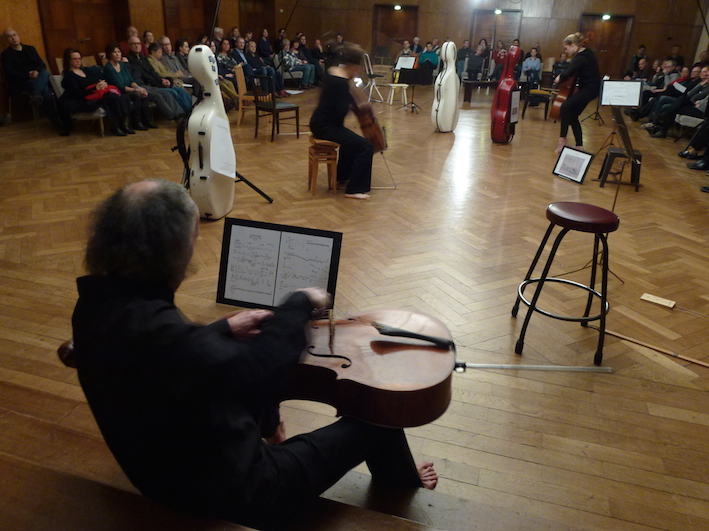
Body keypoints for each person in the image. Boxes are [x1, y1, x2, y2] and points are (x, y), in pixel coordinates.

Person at [72, 179, 437, 530]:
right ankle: (401, 482)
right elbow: (262, 370)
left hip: (158, 476)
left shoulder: (92, 310)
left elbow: (160, 356)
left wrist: (223, 330)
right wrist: (300, 303)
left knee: (245, 357)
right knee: (380, 410)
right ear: (176, 249)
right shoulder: (177, 344)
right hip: (248, 495)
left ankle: (282, 437)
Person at [310, 44, 375, 200]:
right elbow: (340, 110)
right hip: (326, 126)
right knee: (365, 146)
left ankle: (341, 178)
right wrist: (359, 106)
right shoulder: (340, 82)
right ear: (352, 66)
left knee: (350, 143)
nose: (359, 71)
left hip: (321, 123)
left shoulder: (334, 73)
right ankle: (354, 189)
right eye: (358, 67)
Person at [58, 47, 130, 136]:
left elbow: (94, 82)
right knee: (113, 99)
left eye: (79, 58)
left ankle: (123, 125)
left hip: (92, 95)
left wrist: (101, 84)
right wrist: (95, 88)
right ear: (68, 60)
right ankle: (115, 127)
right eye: (75, 59)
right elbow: (77, 94)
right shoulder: (69, 76)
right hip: (80, 100)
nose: (78, 61)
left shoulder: (84, 71)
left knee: (122, 97)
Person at [1, 27, 61, 130]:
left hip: (38, 78)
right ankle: (56, 121)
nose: (13, 38)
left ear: (18, 35)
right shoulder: (6, 55)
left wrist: (36, 72)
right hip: (22, 83)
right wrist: (28, 75)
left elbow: (42, 65)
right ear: (6, 40)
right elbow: (11, 74)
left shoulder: (30, 49)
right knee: (45, 88)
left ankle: (36, 94)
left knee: (45, 72)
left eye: (14, 35)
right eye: (9, 36)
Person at [554, 32, 601, 153]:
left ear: (573, 45)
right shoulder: (585, 54)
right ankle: (579, 145)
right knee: (573, 115)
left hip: (590, 89)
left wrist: (559, 78)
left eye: (566, 48)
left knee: (564, 107)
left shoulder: (582, 57)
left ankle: (562, 138)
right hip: (588, 89)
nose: (566, 51)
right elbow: (572, 67)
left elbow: (569, 72)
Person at [102, 42, 156, 130]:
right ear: (110, 54)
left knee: (144, 94)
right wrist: (136, 90)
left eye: (119, 52)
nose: (118, 54)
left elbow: (131, 81)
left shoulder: (122, 65)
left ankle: (146, 121)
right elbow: (120, 86)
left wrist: (139, 88)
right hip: (119, 93)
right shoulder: (108, 68)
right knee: (137, 95)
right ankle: (136, 122)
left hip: (128, 89)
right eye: (115, 52)